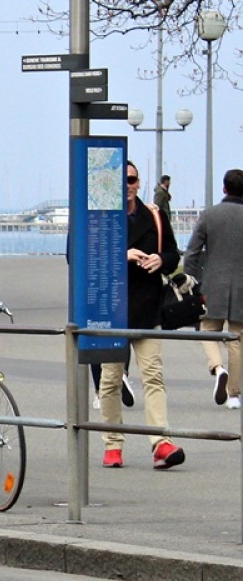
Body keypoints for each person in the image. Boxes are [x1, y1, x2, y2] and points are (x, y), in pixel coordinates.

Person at [100, 161, 185, 470]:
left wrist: (159, 260)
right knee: (111, 380)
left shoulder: (156, 217)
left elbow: (174, 254)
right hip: (112, 309)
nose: (128, 186)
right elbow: (82, 256)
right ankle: (112, 443)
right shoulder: (101, 217)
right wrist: (121, 255)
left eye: (133, 180)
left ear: (138, 182)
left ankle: (160, 442)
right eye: (122, 181)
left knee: (153, 375)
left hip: (148, 308)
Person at [183, 168, 243, 410]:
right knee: (236, 339)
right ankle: (234, 395)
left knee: (208, 330)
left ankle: (218, 369)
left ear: (224, 189)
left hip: (212, 285)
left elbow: (192, 253)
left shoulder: (209, 215)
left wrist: (191, 279)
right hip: (241, 287)